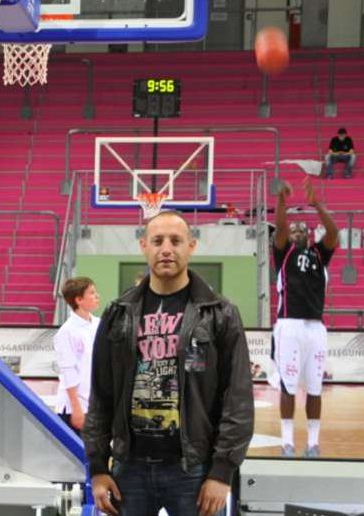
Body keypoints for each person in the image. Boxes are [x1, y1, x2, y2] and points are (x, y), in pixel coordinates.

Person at [84, 210, 254, 516]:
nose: (166, 249)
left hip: (194, 470)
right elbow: (101, 395)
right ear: (143, 246)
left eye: (175, 241)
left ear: (191, 246)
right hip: (128, 469)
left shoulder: (220, 313)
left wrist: (221, 471)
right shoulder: (118, 313)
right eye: (157, 240)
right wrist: (97, 467)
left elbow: (237, 397)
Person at [272, 177, 338, 458]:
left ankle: (313, 443)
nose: (297, 231)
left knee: (315, 388)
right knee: (288, 387)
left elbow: (333, 233)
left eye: (302, 229)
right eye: (294, 229)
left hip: (316, 328)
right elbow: (280, 227)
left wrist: (317, 204)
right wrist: (282, 201)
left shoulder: (319, 254)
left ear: (309, 235)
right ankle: (287, 442)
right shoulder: (284, 252)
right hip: (289, 325)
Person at [53, 277, 101, 434]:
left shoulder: (99, 324)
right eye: (92, 293)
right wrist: (76, 408)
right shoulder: (66, 332)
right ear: (79, 300)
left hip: (94, 404)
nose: (97, 296)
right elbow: (68, 372)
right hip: (74, 407)